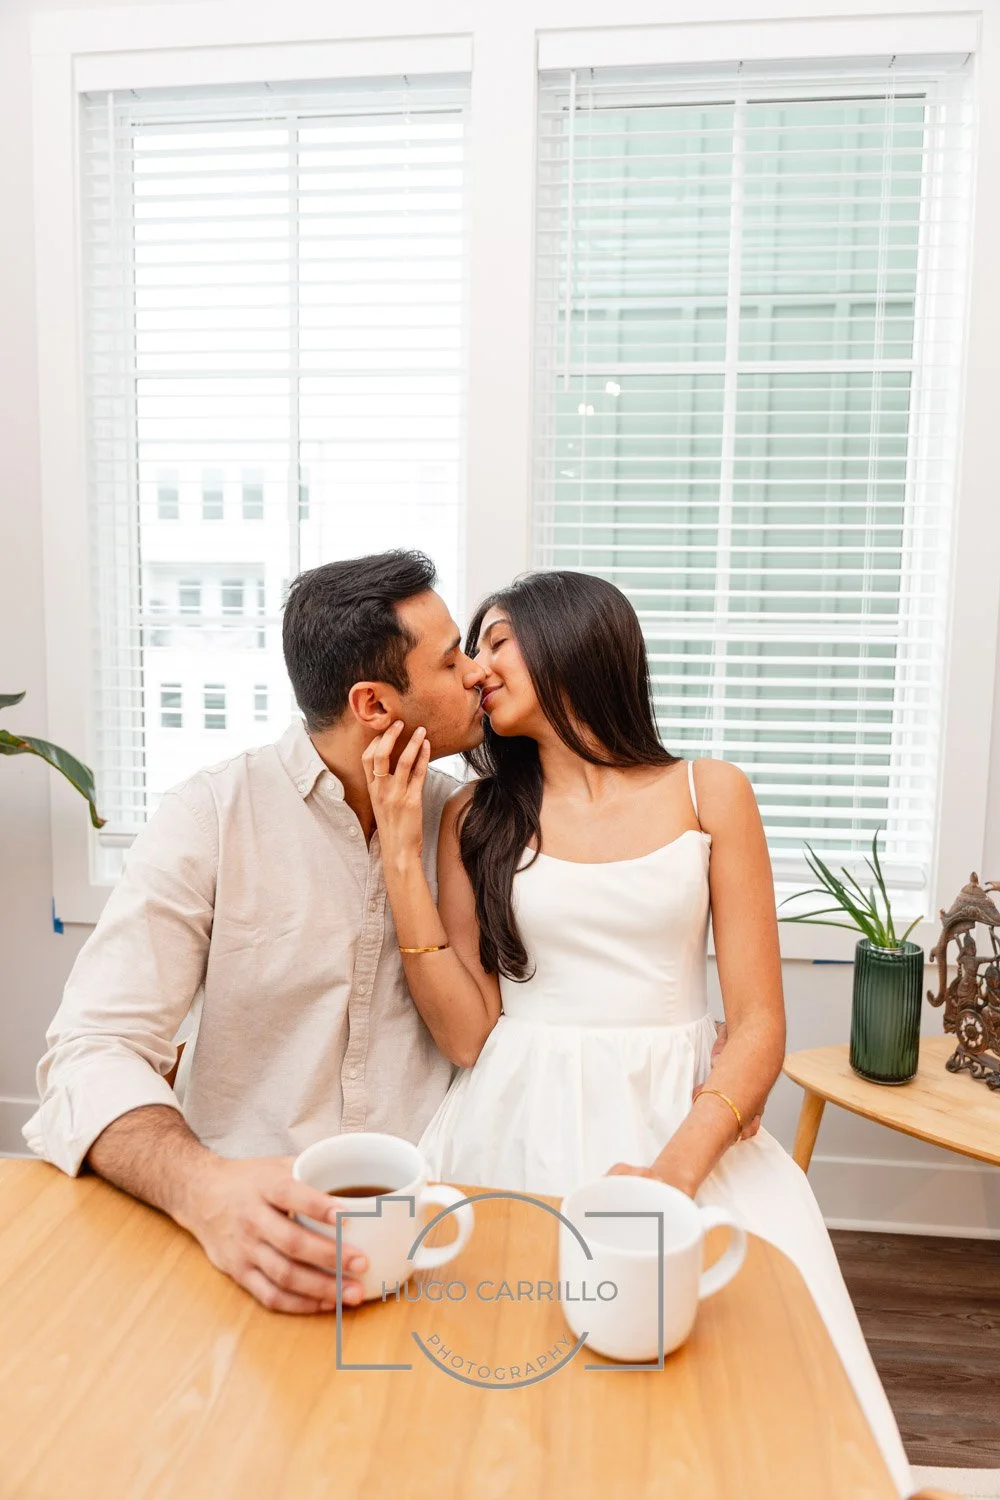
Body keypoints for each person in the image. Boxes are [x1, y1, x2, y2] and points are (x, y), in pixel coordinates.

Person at [362, 568, 913, 1497]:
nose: (477, 672)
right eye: (470, 650)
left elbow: (761, 1026)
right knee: (506, 1401)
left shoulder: (712, 793)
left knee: (729, 1409)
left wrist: (672, 1176)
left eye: (497, 643)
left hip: (683, 1117)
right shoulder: (475, 815)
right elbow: (466, 1034)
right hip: (514, 1114)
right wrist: (396, 859)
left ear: (578, 640)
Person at [23, 551, 488, 1314]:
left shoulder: (471, 825)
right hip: (247, 1243)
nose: (475, 673)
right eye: (451, 660)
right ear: (374, 704)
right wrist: (206, 1191)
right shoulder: (209, 817)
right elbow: (89, 1052)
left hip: (439, 1240)